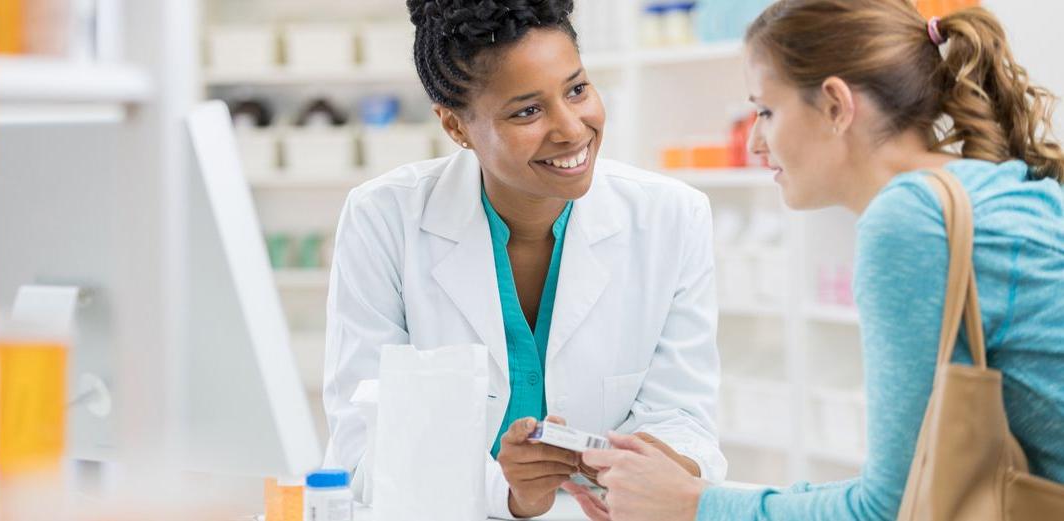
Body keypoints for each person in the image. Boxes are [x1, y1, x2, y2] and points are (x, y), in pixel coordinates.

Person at [563, 1, 1064, 520]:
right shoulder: (989, 185)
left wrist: (695, 508)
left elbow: (887, 510)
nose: (755, 142)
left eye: (765, 111)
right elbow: (917, 479)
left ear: (835, 105)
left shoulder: (909, 218)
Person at [322, 0, 728, 518]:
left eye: (576, 89)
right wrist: (509, 493)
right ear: (456, 127)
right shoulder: (383, 219)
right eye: (527, 111)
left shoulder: (673, 216)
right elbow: (365, 438)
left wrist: (649, 466)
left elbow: (685, 417)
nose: (571, 129)